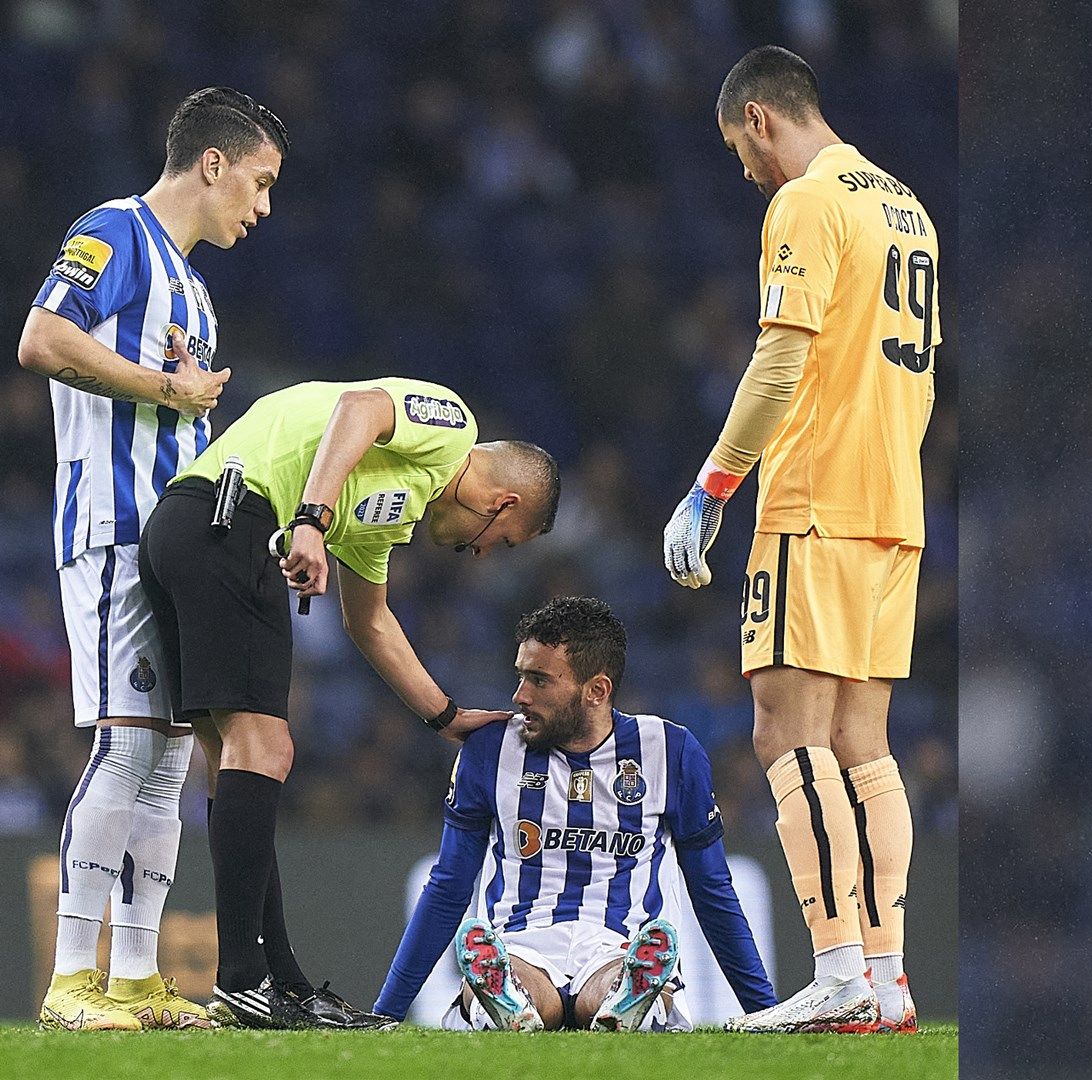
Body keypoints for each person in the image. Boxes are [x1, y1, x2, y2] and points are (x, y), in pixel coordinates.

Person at [139, 376, 560, 1028]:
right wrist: (309, 519)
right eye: (499, 541)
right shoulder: (453, 426)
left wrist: (445, 716)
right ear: (503, 503)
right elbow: (359, 407)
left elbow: (371, 622)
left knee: (236, 762)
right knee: (268, 746)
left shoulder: (392, 508)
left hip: (191, 531)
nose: (479, 553)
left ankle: (279, 984)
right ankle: (245, 981)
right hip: (232, 514)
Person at [662, 44, 936, 1034]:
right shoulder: (907, 207)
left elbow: (784, 354)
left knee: (787, 732)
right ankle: (888, 976)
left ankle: (836, 973)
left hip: (815, 495)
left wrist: (713, 484)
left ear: (762, 119)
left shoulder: (809, 202)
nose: (747, 172)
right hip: (893, 503)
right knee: (867, 744)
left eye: (742, 148)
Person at [16, 86, 285, 1031]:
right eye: (256, 183)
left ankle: (134, 976)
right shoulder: (113, 232)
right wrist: (164, 385)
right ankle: (68, 980)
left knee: (171, 759)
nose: (261, 208)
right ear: (211, 162)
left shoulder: (196, 291)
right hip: (110, 526)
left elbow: (177, 411)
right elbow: (41, 339)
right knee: (127, 744)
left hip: (175, 549)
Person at [370, 596, 778, 1031]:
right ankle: (508, 997)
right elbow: (449, 886)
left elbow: (712, 889)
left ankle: (625, 995)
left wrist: (764, 1009)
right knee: (509, 984)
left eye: (539, 681)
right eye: (521, 676)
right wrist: (386, 1014)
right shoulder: (490, 749)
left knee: (614, 985)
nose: (519, 696)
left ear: (596, 691)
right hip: (520, 943)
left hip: (621, 943)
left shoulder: (669, 751)